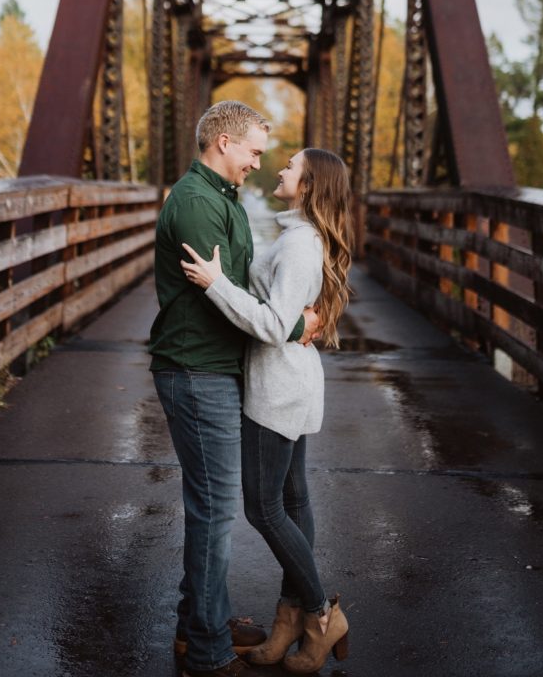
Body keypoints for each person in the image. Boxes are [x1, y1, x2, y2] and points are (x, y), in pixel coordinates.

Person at [150, 101, 319, 677]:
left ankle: (198, 623)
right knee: (216, 511)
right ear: (223, 141)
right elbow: (220, 299)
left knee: (212, 510)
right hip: (196, 371)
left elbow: (240, 285)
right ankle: (207, 650)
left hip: (214, 368)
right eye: (252, 150)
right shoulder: (198, 204)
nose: (258, 162)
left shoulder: (222, 199)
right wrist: (295, 325)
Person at [181, 147, 353, 675]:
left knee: (264, 508)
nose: (280, 168)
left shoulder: (300, 246)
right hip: (294, 383)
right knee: (293, 498)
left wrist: (218, 286)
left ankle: (322, 614)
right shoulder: (301, 238)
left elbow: (276, 326)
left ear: (309, 184)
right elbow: (289, 318)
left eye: (291, 166)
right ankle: (289, 620)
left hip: (276, 390)